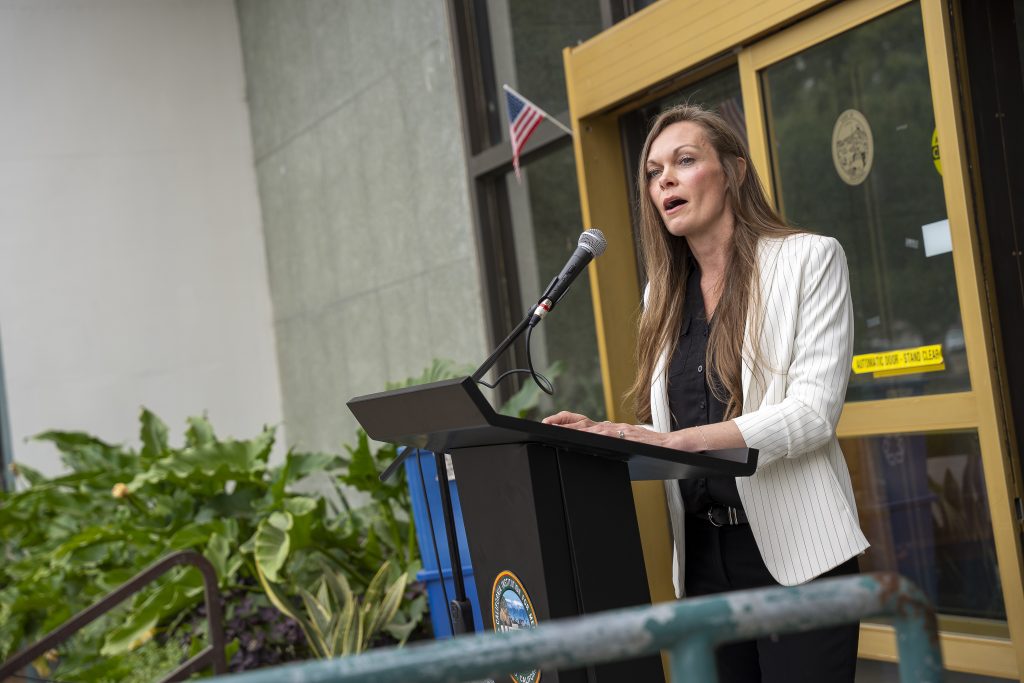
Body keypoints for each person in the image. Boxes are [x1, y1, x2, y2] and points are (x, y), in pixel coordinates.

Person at [542, 104, 869, 683]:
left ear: (736, 172)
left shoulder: (809, 258)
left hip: (798, 556)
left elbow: (813, 414)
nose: (663, 179)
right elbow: (676, 433)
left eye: (685, 161)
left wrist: (682, 442)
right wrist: (612, 434)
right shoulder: (661, 296)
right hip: (702, 559)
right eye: (652, 171)